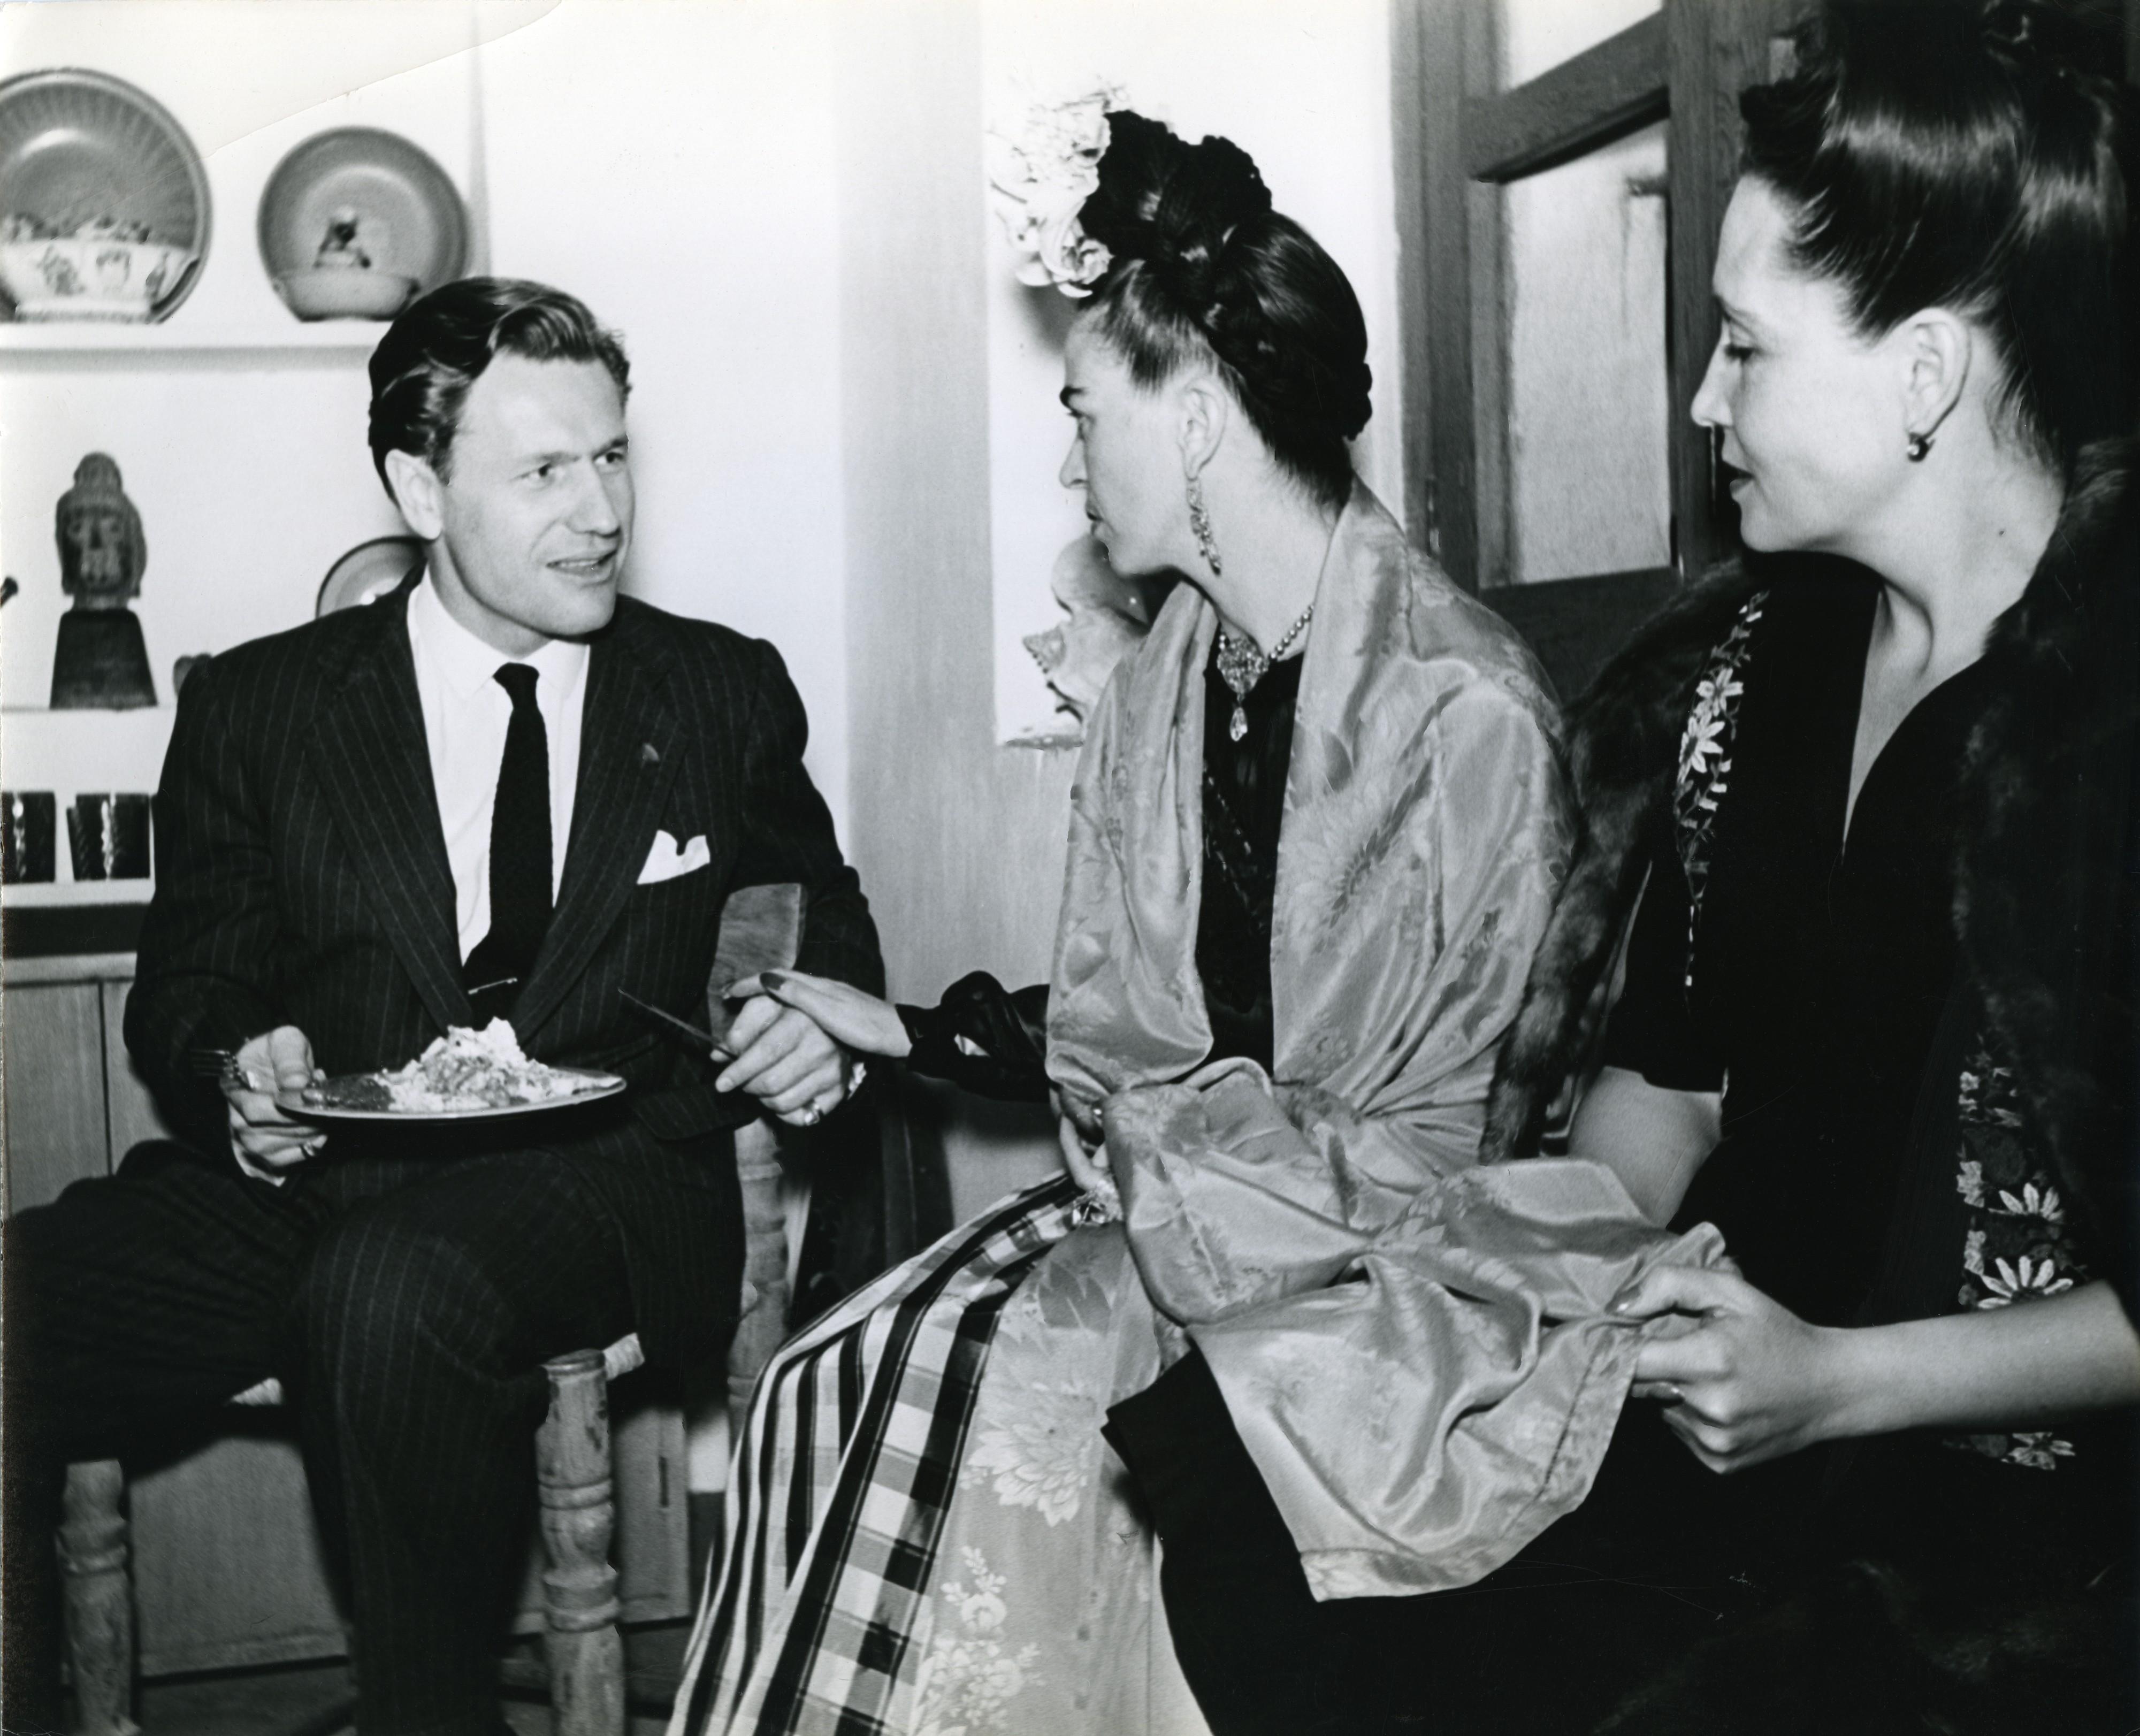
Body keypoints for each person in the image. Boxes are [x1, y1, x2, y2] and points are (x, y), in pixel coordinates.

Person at [1099, 6, 2140, 1732]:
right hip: (1721, 1411)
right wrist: (1507, 1290)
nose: (1699, 399)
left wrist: (1837, 1385)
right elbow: (1663, 1086)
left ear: (1929, 377)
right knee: (1254, 1498)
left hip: (2005, 1513)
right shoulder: (1756, 673)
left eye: (1743, 346)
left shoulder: (2107, 721)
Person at [667, 111, 1626, 1736]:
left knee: (970, 1371)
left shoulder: (1456, 704)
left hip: (1396, 1264)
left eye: (1080, 412)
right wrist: (893, 1028)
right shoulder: (1170, 682)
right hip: (1213, 1201)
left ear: (1192, 417)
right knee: (839, 1366)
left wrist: (1161, 1168)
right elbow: (1151, 1014)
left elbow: (1443, 1132)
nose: (1065, 460)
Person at [2, 278, 882, 1736]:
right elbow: (190, 989)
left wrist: (804, 1016)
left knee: (388, 1291)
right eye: (543, 471)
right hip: (316, 1171)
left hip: (603, 1182)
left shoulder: (717, 689)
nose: (599, 510)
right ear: (420, 485)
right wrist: (243, 1066)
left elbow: (814, 917)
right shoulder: (259, 707)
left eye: (612, 458)